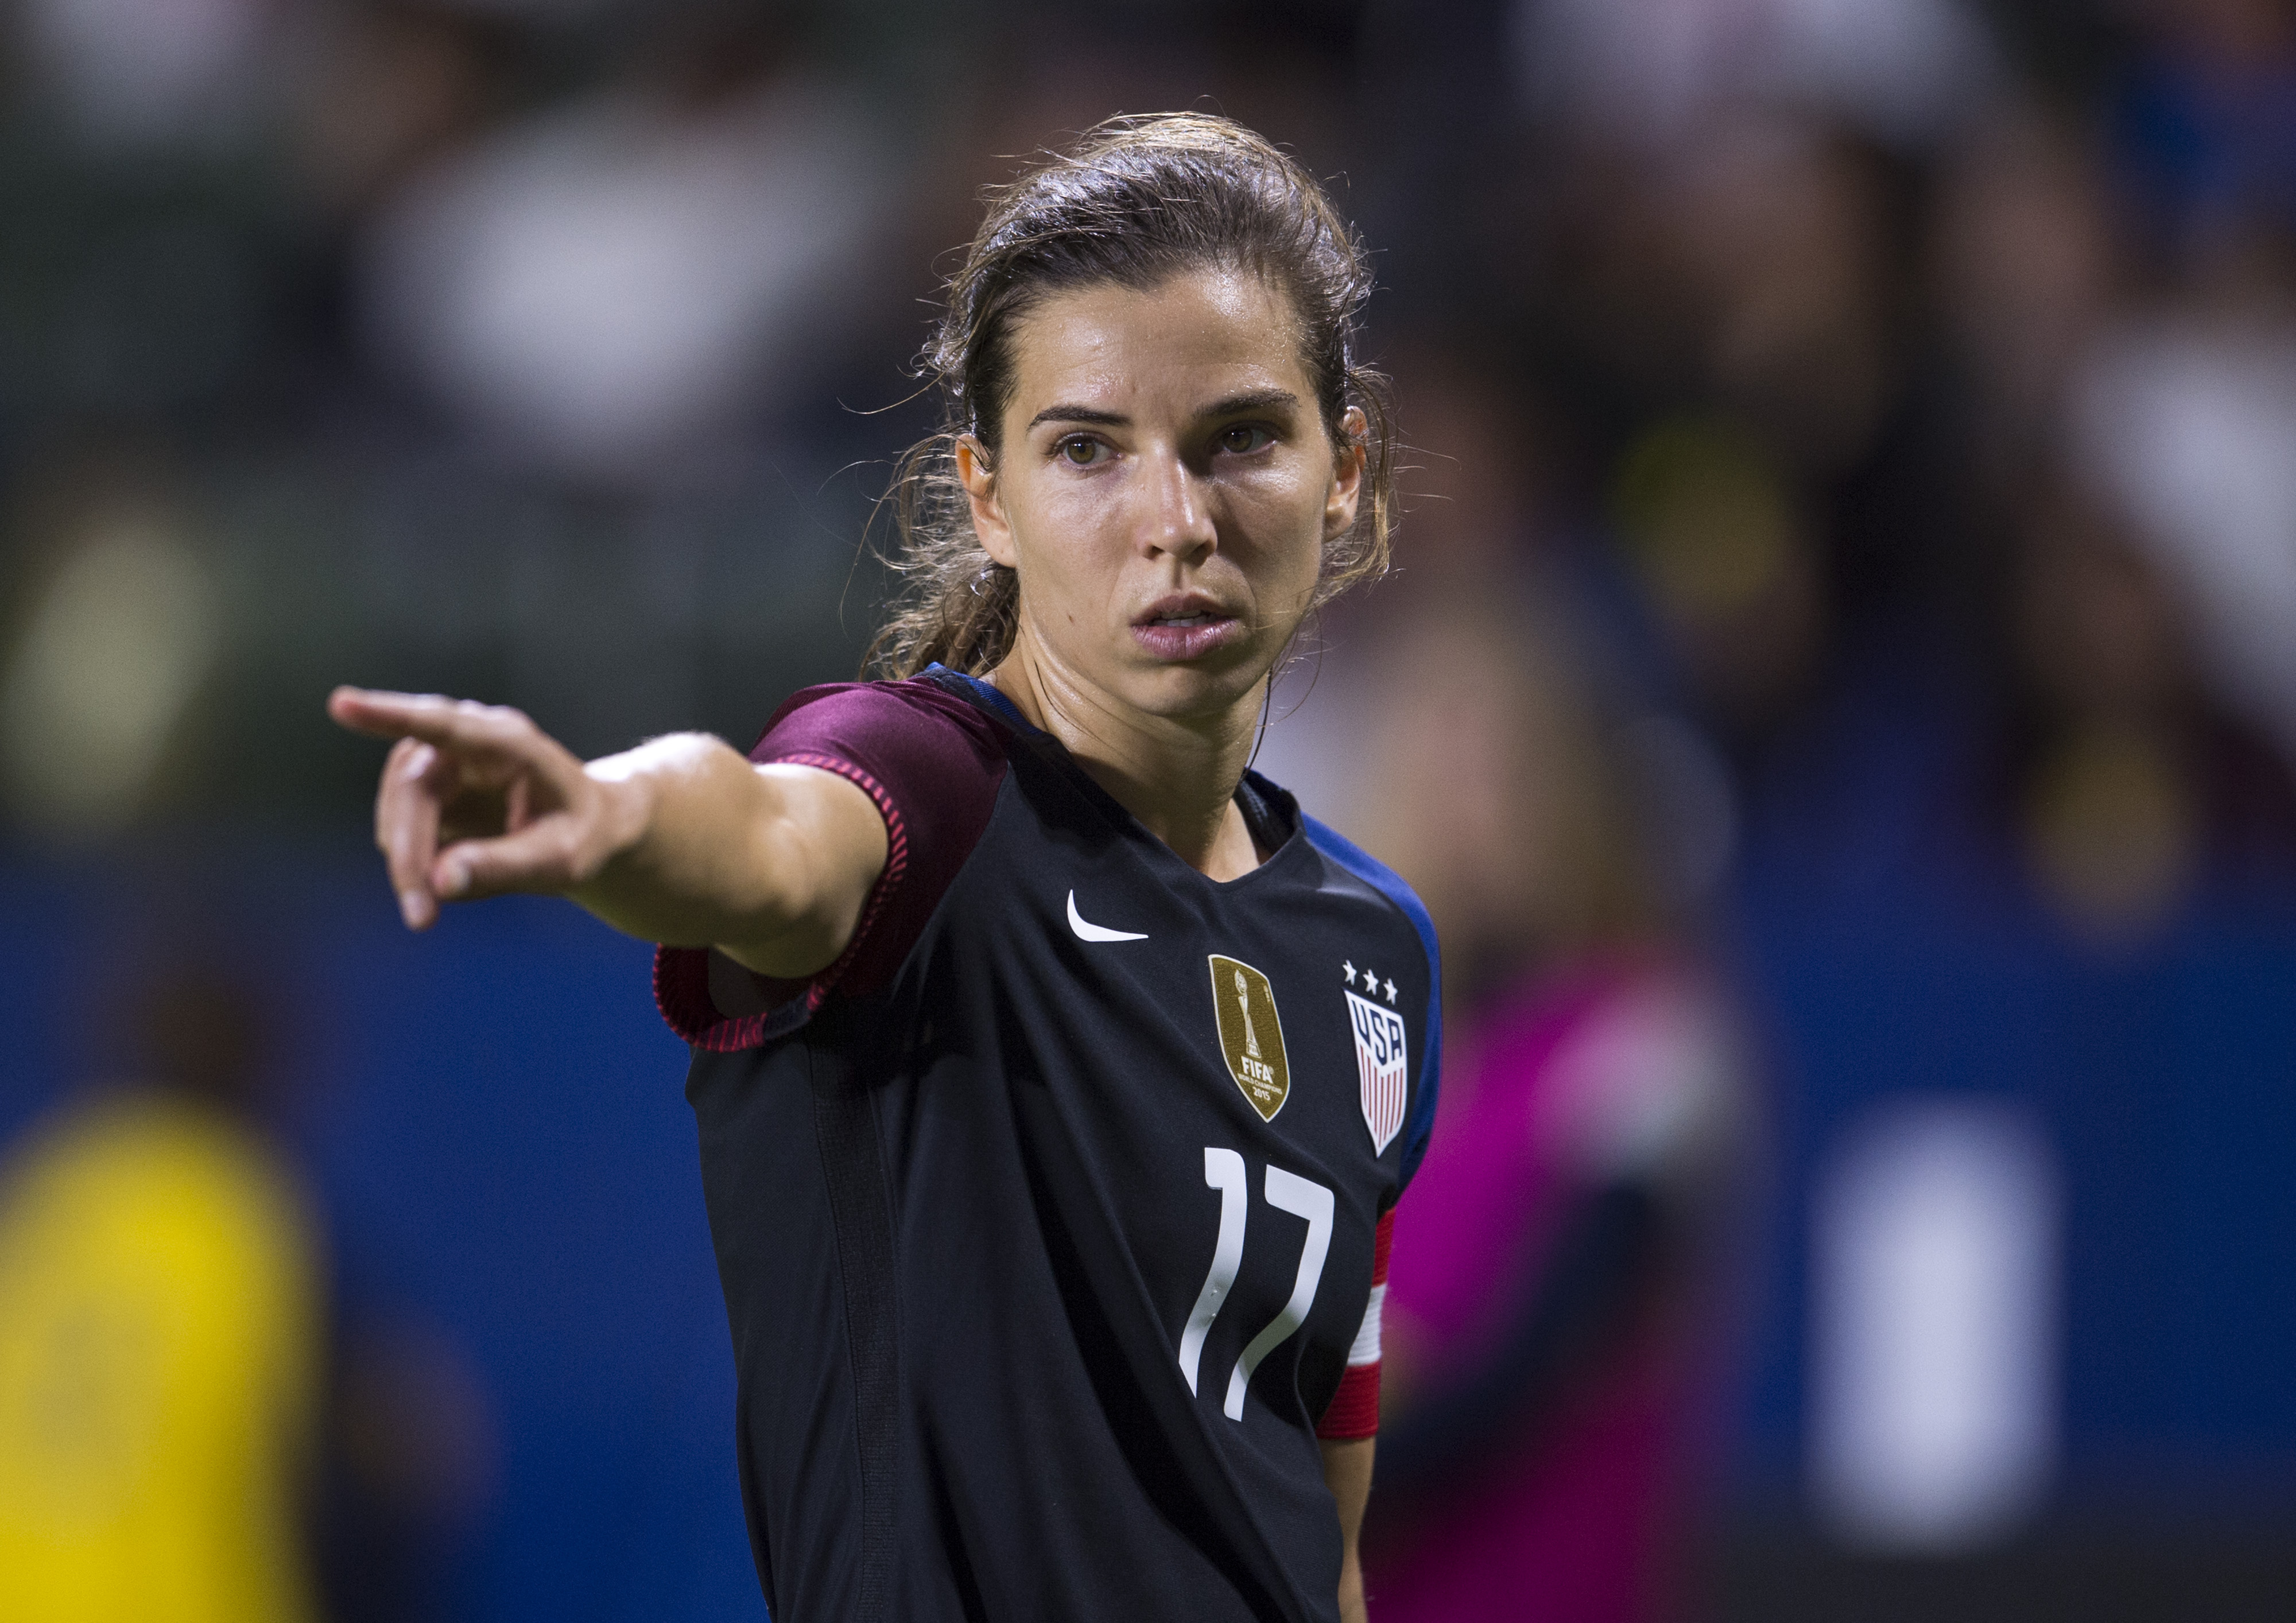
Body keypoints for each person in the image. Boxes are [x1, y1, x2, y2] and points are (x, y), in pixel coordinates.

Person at [329, 114, 1437, 1623]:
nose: (1176, 521)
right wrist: (604, 809)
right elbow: (768, 833)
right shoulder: (931, 784)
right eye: (1088, 449)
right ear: (989, 495)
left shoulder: (1379, 953)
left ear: (1345, 468)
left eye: (1240, 436)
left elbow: (1327, 1533)